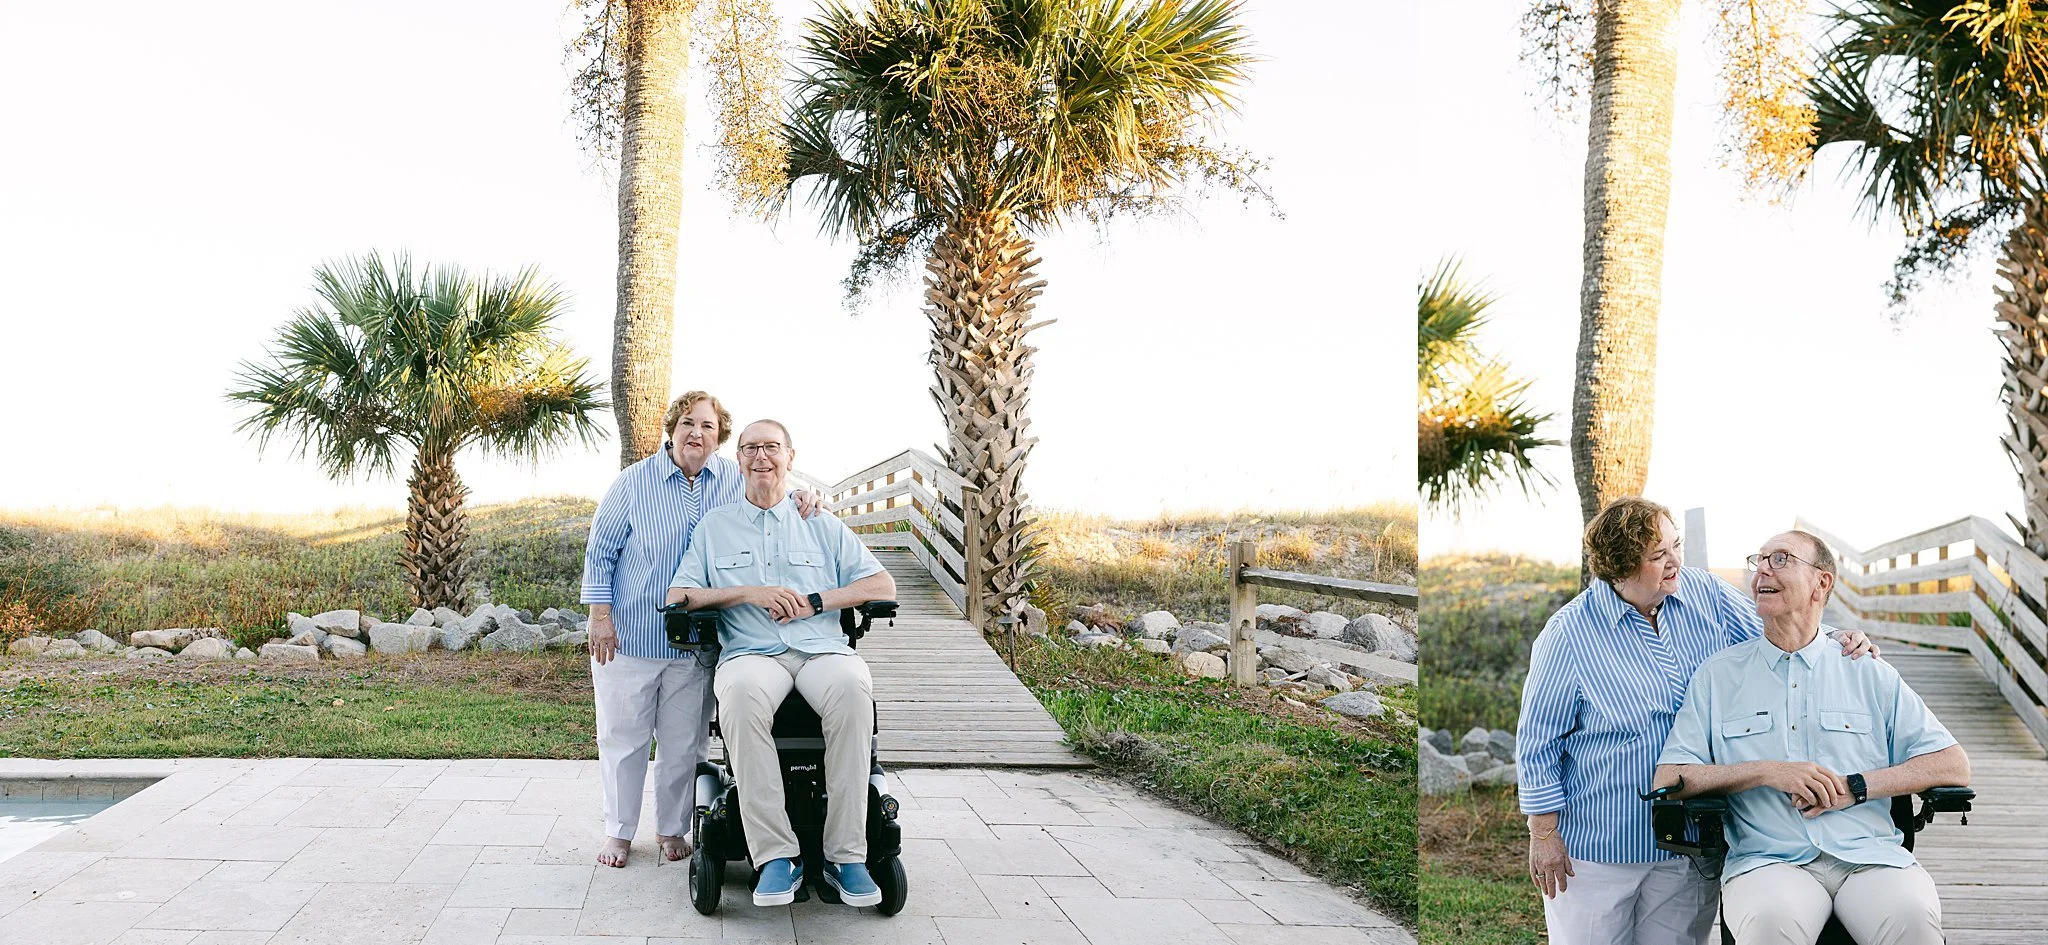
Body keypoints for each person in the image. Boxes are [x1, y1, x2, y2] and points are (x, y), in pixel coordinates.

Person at [1517, 497, 1877, 945]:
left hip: (1688, 840)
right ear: (1620, 569)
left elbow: (1780, 630)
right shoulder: (1568, 634)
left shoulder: (1704, 594)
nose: (1674, 561)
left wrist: (1838, 638)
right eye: (1657, 555)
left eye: (1676, 545)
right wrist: (1544, 833)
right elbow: (1538, 744)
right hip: (1599, 846)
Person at [1651, 530, 1970, 945]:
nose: (1762, 567)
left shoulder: (1867, 670)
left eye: (1780, 558)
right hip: (1768, 861)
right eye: (1759, 559)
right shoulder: (1718, 677)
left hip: (1869, 857)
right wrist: (1767, 772)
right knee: (1769, 923)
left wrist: (1855, 788)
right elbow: (1669, 778)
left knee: (1912, 918)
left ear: (1822, 583)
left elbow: (1952, 764)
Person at [578, 392, 823, 869]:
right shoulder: (633, 483)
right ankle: (619, 833)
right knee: (623, 738)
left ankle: (671, 828)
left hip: (697, 644)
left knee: (683, 742)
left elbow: (771, 492)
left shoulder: (732, 478)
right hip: (632, 633)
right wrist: (599, 618)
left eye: (708, 427)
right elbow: (600, 552)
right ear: (671, 428)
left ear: (720, 437)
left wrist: (804, 496)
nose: (697, 433)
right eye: (688, 423)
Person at [666, 418, 897, 908]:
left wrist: (818, 601)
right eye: (750, 448)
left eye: (772, 447)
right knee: (742, 694)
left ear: (791, 457)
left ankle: (845, 856)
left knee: (854, 689)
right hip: (751, 653)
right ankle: (775, 857)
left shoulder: (821, 522)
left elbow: (882, 587)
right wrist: (750, 593)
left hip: (822, 649)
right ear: (739, 460)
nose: (761, 457)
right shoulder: (716, 527)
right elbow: (679, 594)